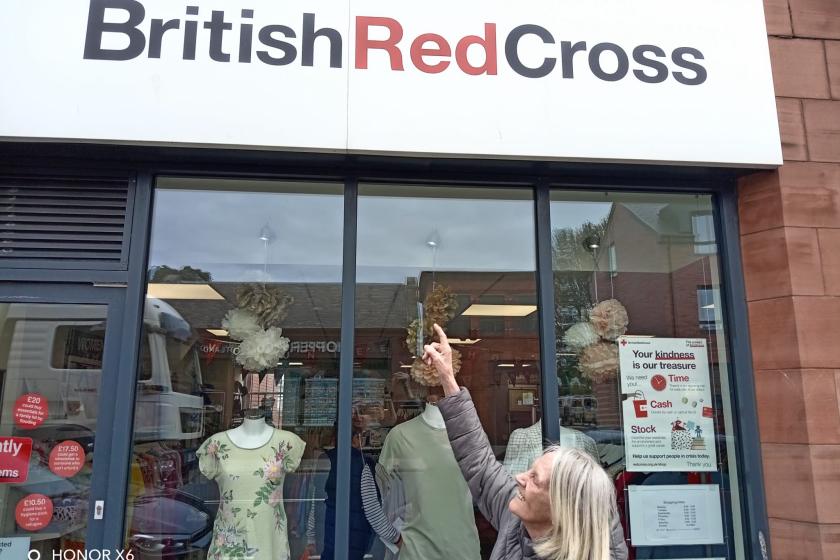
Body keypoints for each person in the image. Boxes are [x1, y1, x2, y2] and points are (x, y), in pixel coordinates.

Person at [422, 324, 629, 560]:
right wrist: (448, 378)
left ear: (562, 507)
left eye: (535, 479)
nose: (520, 477)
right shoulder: (515, 521)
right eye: (530, 471)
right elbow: (480, 464)